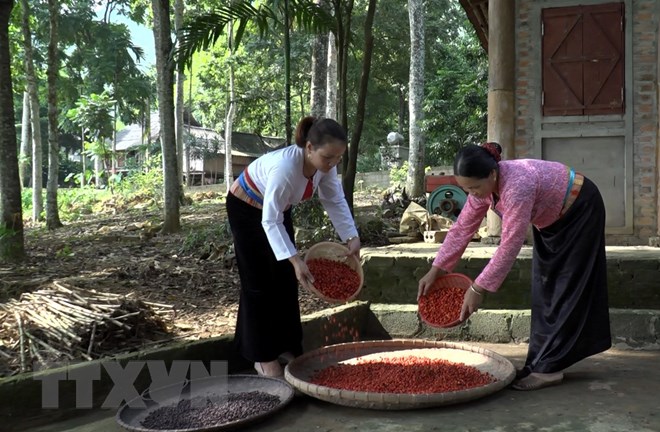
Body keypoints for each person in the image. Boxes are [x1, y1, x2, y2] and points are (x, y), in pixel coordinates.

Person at [418, 142, 611, 391]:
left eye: (475, 187)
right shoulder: (483, 190)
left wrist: (478, 288)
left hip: (580, 210)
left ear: (493, 174)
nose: (472, 193)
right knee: (545, 290)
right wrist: (436, 270)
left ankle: (550, 369)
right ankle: (540, 362)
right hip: (552, 221)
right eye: (466, 188)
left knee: (566, 288)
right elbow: (462, 228)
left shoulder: (517, 186)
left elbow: (510, 245)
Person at [226, 116, 361, 377]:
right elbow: (269, 220)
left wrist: (351, 236)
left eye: (337, 158)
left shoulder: (326, 166)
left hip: (276, 210)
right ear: (309, 148)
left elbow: (333, 198)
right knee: (258, 283)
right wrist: (295, 258)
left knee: (286, 280)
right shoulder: (286, 168)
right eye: (327, 158)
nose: (332, 164)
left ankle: (287, 347)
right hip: (245, 206)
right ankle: (262, 357)